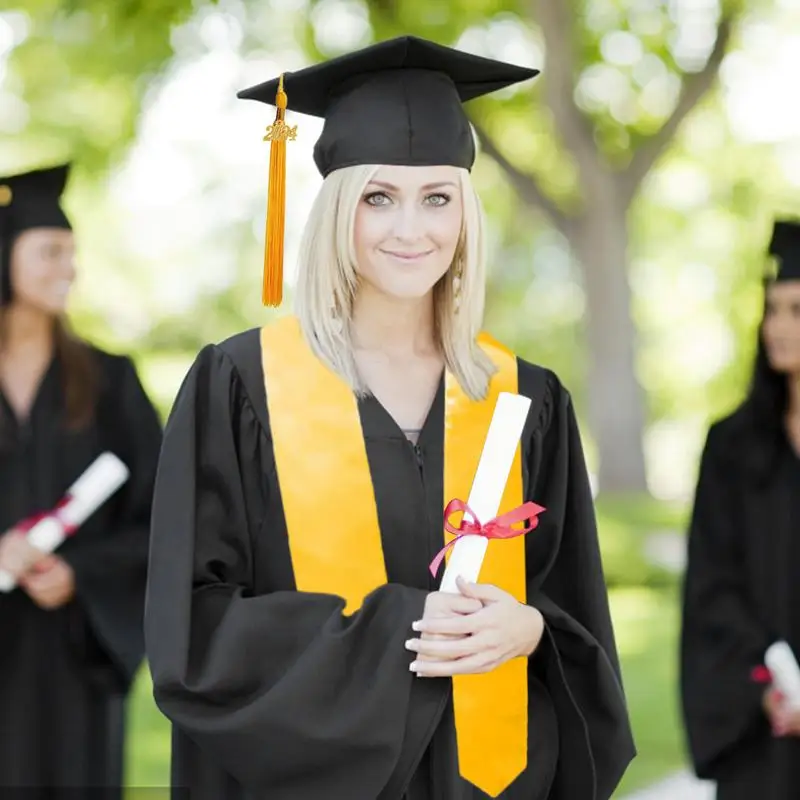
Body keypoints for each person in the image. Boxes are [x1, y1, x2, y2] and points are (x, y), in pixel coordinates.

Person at [145, 36, 635, 800]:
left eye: (437, 197)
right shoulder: (243, 386)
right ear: (339, 208)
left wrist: (530, 630)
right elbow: (193, 625)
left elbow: (574, 609)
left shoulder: (524, 399)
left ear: (466, 212)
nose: (413, 229)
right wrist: (398, 628)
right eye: (380, 197)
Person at [0, 163, 163, 795]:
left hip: (76, 652)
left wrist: (82, 571)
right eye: (50, 251)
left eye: (72, 252)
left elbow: (164, 514)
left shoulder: (109, 382)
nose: (68, 266)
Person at [681, 218, 800, 799]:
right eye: (772, 309)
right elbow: (712, 586)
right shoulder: (733, 446)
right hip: (763, 724)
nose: (777, 327)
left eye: (797, 310)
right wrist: (770, 686)